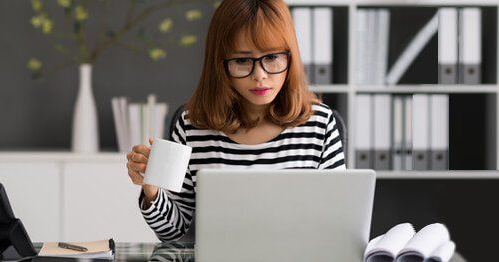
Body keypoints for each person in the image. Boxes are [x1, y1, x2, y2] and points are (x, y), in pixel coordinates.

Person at [124, 0, 346, 242]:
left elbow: (338, 223)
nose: (260, 76)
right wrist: (152, 190)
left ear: (290, 58)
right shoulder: (191, 127)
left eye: (272, 57)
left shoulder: (320, 124)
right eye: (242, 61)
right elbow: (174, 232)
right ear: (219, 65)